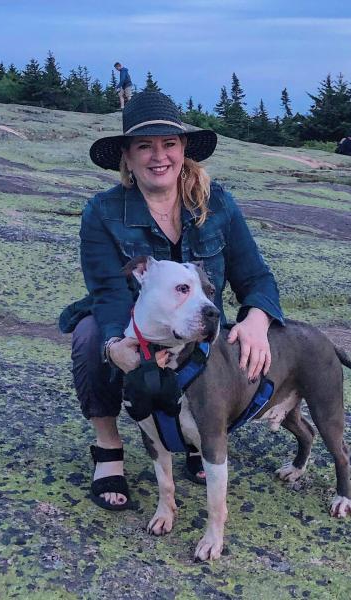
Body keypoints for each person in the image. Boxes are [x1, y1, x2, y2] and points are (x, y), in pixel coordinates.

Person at [59, 91, 284, 511]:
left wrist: (257, 319)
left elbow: (256, 276)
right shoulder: (102, 211)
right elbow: (107, 292)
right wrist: (116, 345)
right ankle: (109, 448)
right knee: (90, 338)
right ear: (126, 156)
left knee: (216, 330)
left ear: (184, 151)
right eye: (144, 145)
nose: (158, 156)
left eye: (169, 144)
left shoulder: (217, 203)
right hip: (138, 326)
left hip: (197, 330)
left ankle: (196, 437)